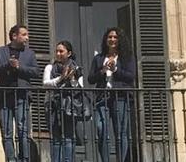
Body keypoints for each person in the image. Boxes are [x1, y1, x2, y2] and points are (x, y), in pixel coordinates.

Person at [0, 24, 38, 162]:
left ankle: (24, 159)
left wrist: (19, 66)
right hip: (4, 96)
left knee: (23, 130)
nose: (27, 38)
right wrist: (8, 65)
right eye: (24, 35)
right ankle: (11, 159)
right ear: (14, 36)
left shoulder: (30, 53)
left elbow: (35, 71)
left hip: (22, 96)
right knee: (6, 131)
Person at [87, 27, 136, 162]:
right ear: (105, 39)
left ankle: (121, 159)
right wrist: (102, 71)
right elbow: (90, 78)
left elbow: (131, 76)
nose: (112, 39)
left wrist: (115, 69)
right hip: (102, 97)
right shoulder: (99, 58)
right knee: (101, 129)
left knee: (120, 132)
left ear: (119, 40)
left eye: (115, 37)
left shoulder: (127, 57)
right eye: (110, 37)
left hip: (120, 97)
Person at [43, 40, 85, 162]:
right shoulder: (50, 67)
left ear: (69, 53)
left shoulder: (76, 69)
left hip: (69, 105)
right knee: (56, 137)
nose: (58, 53)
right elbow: (46, 83)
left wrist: (72, 78)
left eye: (61, 51)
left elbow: (80, 87)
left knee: (69, 137)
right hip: (52, 104)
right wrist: (61, 78)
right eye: (57, 51)